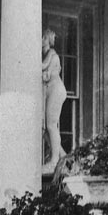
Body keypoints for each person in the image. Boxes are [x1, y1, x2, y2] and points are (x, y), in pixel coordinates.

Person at [42, 29, 67, 170]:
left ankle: (54, 161)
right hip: (50, 90)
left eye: (43, 38)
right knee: (46, 128)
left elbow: (44, 71)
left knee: (51, 125)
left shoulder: (52, 54)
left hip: (56, 90)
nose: (41, 40)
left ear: (48, 40)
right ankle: (63, 156)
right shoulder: (45, 54)